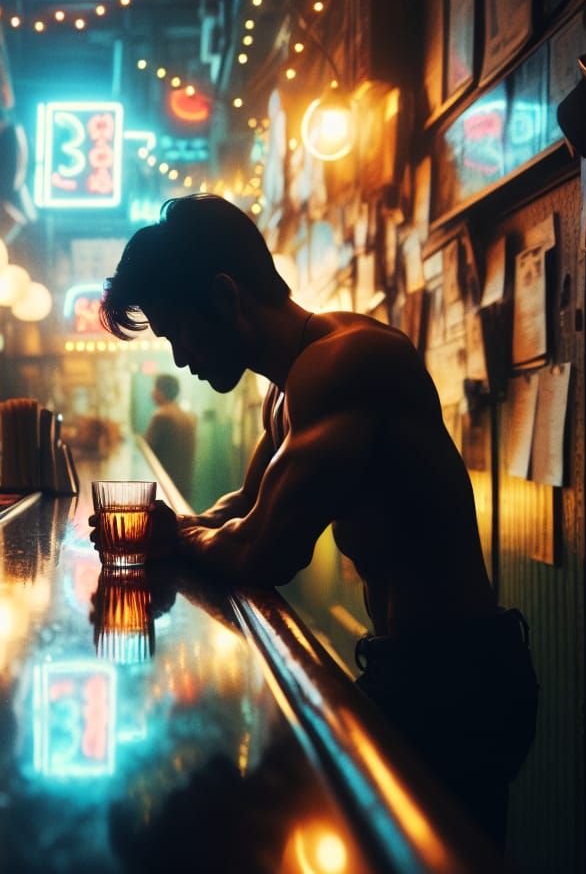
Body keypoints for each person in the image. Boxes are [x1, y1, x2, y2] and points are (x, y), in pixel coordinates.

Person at [97, 194, 538, 846]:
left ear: (225, 295)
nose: (181, 358)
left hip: (455, 680)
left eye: (178, 333)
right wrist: (167, 525)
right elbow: (242, 509)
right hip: (415, 667)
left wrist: (174, 536)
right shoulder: (289, 386)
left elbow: (265, 552)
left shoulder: (345, 363)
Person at [144, 373, 196, 501]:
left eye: (154, 388)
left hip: (165, 484)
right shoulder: (188, 416)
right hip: (183, 482)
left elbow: (147, 449)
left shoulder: (161, 416)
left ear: (161, 392)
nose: (152, 393)